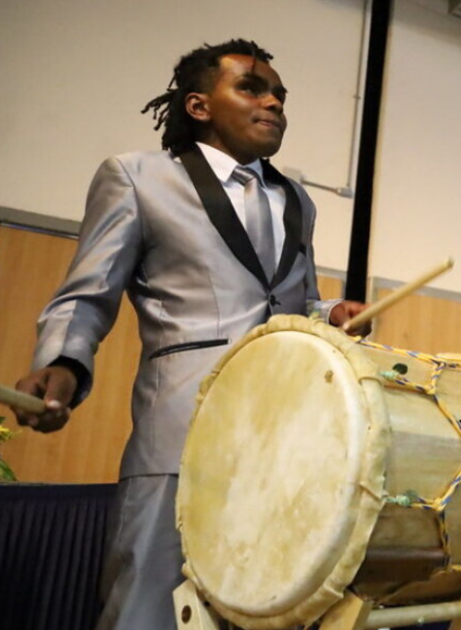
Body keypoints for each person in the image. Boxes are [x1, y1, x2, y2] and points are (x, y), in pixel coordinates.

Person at [8, 39, 370, 630]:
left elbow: (293, 303)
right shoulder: (137, 177)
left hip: (284, 439)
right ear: (199, 106)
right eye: (252, 87)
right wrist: (64, 363)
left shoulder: (296, 199)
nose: (274, 101)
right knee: (147, 611)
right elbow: (87, 293)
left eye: (280, 94)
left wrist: (328, 314)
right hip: (181, 433)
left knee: (261, 609)